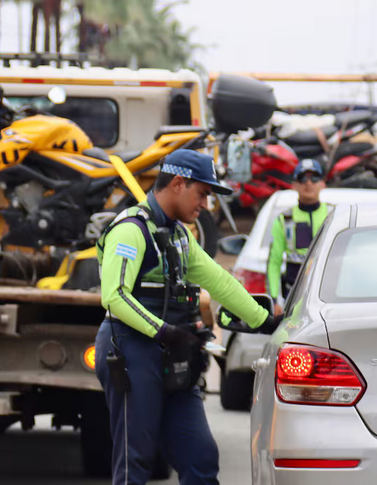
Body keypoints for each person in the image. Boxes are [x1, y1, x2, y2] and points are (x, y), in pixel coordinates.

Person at [95, 149, 279, 485]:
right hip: (132, 349)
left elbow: (220, 280)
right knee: (135, 461)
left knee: (201, 457)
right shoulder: (130, 230)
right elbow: (115, 296)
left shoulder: (180, 236)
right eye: (204, 194)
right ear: (178, 183)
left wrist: (264, 321)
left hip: (174, 352)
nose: (206, 205)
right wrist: (163, 332)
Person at [267, 158, 328, 312]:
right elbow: (274, 263)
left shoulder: (332, 215)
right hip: (293, 298)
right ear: (294, 185)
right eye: (302, 178)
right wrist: (274, 300)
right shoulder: (285, 219)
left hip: (326, 297)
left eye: (314, 177)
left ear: (322, 183)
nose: (308, 183)